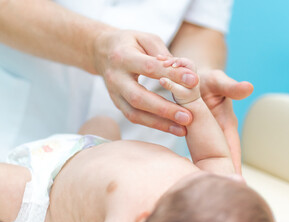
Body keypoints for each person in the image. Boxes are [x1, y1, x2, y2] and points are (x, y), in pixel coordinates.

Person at [0, 57, 274, 222]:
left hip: (41, 192)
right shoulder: (219, 183)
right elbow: (213, 152)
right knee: (104, 121)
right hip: (93, 145)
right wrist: (192, 101)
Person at [0, 0, 253, 170]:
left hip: (141, 147)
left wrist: (195, 77)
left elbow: (200, 28)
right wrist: (94, 46)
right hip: (20, 131)